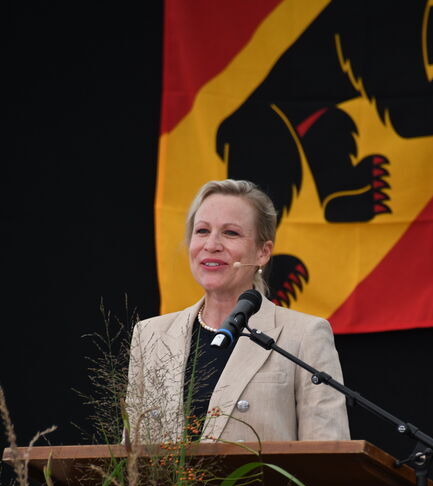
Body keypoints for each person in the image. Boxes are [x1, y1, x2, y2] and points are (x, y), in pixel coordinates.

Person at [126, 179, 350, 443]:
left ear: (263, 252)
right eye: (202, 231)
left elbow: (327, 453)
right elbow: (131, 455)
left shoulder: (305, 335)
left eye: (230, 233)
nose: (211, 244)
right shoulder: (150, 335)